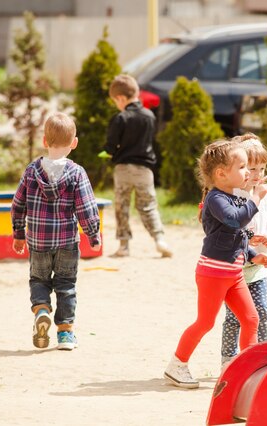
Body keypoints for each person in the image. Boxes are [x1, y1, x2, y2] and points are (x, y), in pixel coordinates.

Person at [164, 138, 267, 389]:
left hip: (233, 273)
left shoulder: (235, 196)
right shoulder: (216, 199)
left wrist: (253, 253)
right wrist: (255, 200)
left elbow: (238, 235)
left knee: (251, 318)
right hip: (213, 272)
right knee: (205, 322)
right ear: (222, 173)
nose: (248, 172)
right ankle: (177, 365)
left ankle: (248, 369)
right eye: (243, 167)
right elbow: (235, 221)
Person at [11, 112, 101, 351]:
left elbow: (18, 204)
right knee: (66, 285)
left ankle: (41, 310)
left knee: (39, 280)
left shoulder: (31, 171)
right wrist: (93, 234)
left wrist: (19, 233)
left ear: (44, 141)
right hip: (66, 242)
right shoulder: (77, 173)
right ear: (74, 143)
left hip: (38, 240)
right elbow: (86, 206)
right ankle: (65, 334)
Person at [220, 134, 267, 368]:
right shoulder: (231, 196)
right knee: (234, 317)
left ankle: (262, 355)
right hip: (234, 269)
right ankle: (229, 360)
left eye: (262, 168)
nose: (257, 174)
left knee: (262, 312)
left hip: (258, 268)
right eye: (251, 167)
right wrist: (247, 238)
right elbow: (230, 227)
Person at [99, 74, 172, 258]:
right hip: (144, 170)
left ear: (121, 98)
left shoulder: (120, 118)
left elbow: (110, 147)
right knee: (148, 205)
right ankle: (159, 239)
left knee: (121, 206)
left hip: (123, 169)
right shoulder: (149, 116)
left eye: (116, 101)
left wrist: (105, 153)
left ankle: (124, 246)